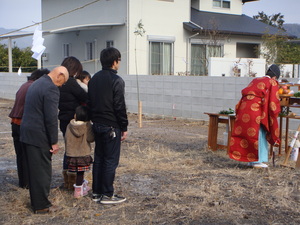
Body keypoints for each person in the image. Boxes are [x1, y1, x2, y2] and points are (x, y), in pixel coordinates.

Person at [20, 66, 69, 214]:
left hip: (27, 133)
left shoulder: (37, 83)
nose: (61, 85)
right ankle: (41, 205)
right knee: (42, 171)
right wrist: (54, 141)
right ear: (59, 75)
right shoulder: (50, 88)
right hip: (39, 135)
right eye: (63, 82)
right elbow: (51, 117)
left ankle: (38, 202)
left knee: (34, 171)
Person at [88, 47, 128, 204]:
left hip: (96, 124)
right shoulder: (117, 81)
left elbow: (89, 102)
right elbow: (119, 106)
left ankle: (96, 192)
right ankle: (107, 194)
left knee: (99, 158)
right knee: (110, 160)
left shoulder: (94, 79)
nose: (119, 63)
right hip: (111, 126)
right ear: (114, 62)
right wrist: (124, 127)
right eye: (119, 60)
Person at [229, 64, 281, 168]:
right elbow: (273, 102)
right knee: (259, 134)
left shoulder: (255, 80)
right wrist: (276, 111)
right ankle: (258, 160)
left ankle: (250, 160)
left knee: (248, 135)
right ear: (275, 77)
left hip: (244, 108)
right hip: (257, 111)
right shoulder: (272, 82)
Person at [9, 69, 50, 189]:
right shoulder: (34, 88)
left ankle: (23, 182)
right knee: (29, 156)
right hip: (24, 124)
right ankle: (28, 183)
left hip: (15, 122)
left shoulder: (24, 85)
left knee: (20, 155)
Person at [59, 56, 88, 190]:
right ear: (75, 70)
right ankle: (76, 182)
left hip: (63, 120)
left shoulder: (59, 82)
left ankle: (67, 181)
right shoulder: (71, 83)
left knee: (68, 149)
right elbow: (84, 97)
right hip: (74, 121)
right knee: (77, 151)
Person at [65, 105, 94, 198]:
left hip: (72, 153)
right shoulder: (87, 125)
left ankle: (81, 186)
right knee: (80, 173)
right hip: (83, 153)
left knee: (76, 172)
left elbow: (66, 138)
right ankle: (78, 190)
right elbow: (90, 138)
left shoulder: (70, 125)